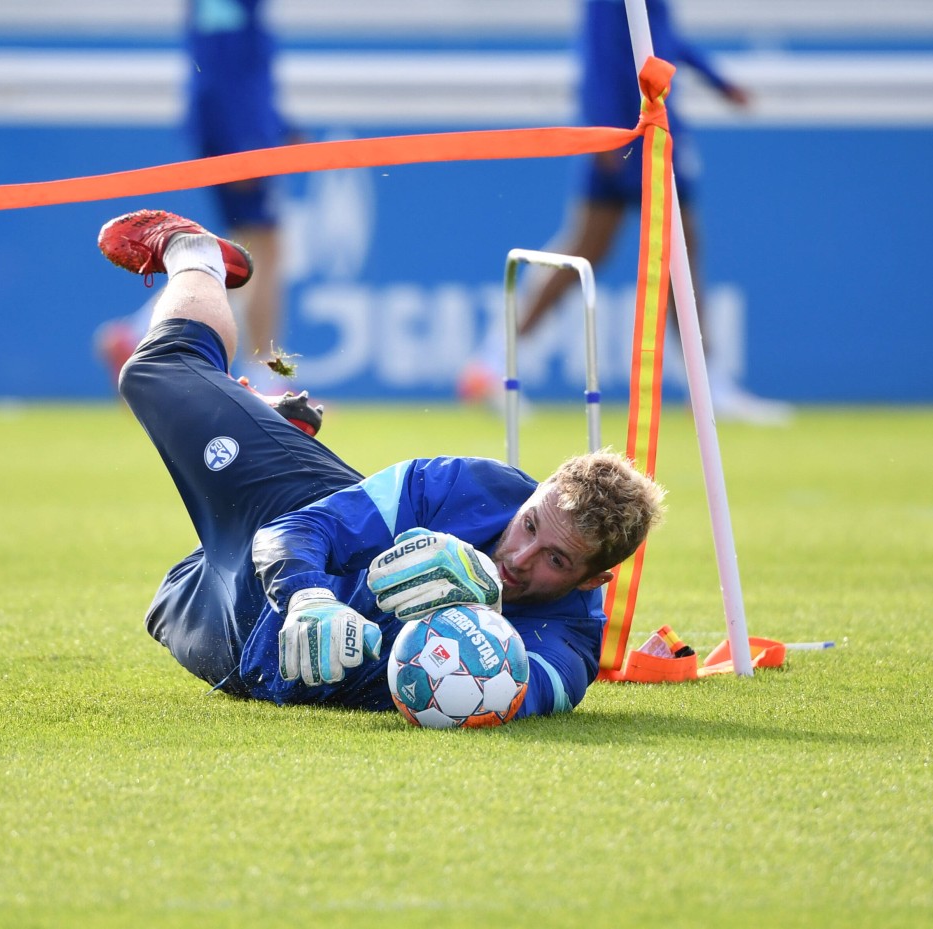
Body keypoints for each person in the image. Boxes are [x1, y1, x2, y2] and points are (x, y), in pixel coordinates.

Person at [98, 207, 667, 719]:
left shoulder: (567, 648)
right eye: (531, 524)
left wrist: (471, 612)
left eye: (556, 559)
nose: (520, 555)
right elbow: (298, 530)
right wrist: (311, 599)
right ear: (533, 495)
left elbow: (511, 696)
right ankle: (194, 256)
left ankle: (264, 421)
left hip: (233, 639)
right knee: (154, 371)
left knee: (164, 604)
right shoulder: (472, 485)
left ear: (593, 580)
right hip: (291, 516)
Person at [458, 0, 792, 425]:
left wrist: (716, 80)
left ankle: (493, 360)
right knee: (672, 252)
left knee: (594, 249)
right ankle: (708, 387)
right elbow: (599, 51)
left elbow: (660, 43)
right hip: (633, 129)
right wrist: (602, 125)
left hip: (633, 125)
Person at [94, 0, 288, 391]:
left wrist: (278, 125)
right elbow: (221, 65)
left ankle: (137, 331)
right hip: (238, 134)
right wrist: (248, 140)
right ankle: (265, 377)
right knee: (260, 249)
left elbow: (237, 66)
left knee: (247, 248)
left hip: (239, 128)